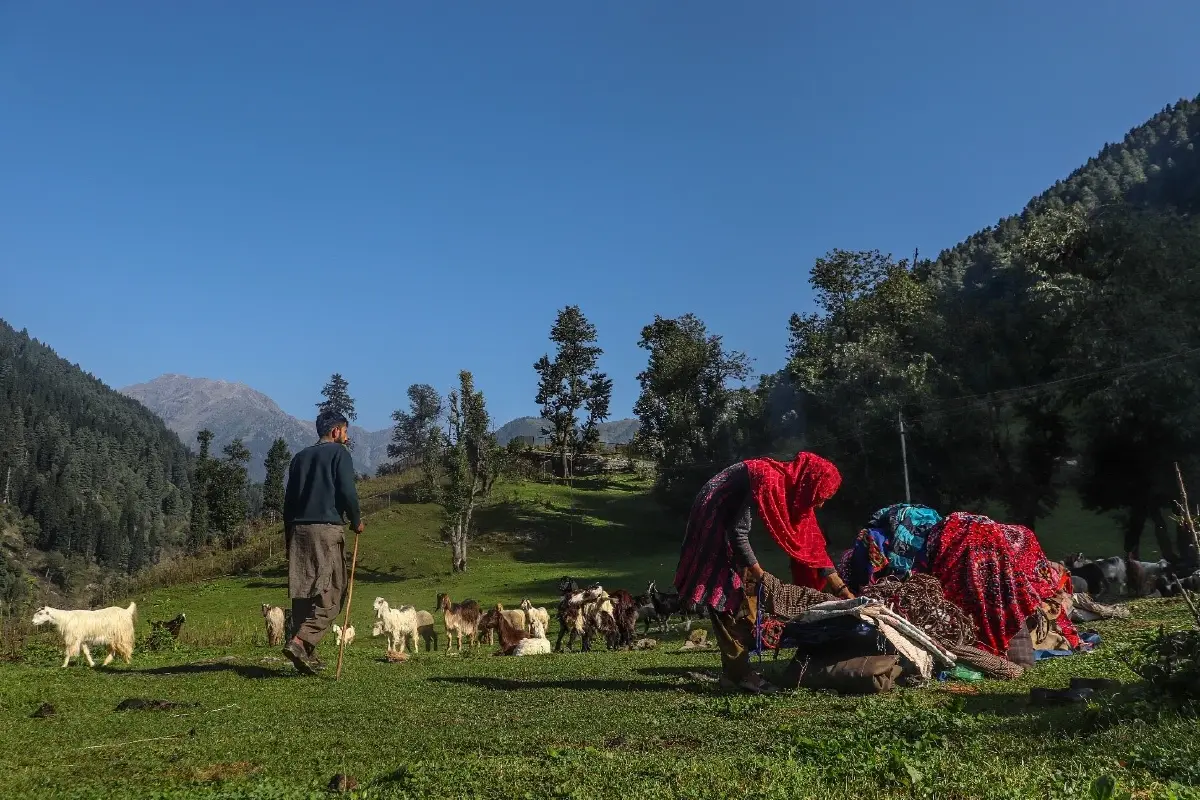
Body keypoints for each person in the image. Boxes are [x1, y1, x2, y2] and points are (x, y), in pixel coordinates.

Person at [674, 451, 849, 694]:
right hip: (713, 516)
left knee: (740, 592)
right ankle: (740, 674)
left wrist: (843, 590)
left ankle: (732, 673)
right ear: (810, 484)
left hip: (724, 517)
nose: (820, 504)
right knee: (724, 593)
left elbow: (812, 546)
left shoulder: (789, 484)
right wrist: (762, 576)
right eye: (820, 497)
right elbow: (737, 532)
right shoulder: (766, 478)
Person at [281, 409, 364, 675]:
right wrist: (356, 519)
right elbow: (347, 491)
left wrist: (288, 536)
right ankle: (300, 641)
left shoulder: (300, 458)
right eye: (346, 431)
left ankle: (307, 654)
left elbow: (289, 503)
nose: (346, 437)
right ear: (336, 431)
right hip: (326, 528)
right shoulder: (339, 454)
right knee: (333, 591)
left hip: (298, 530)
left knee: (305, 589)